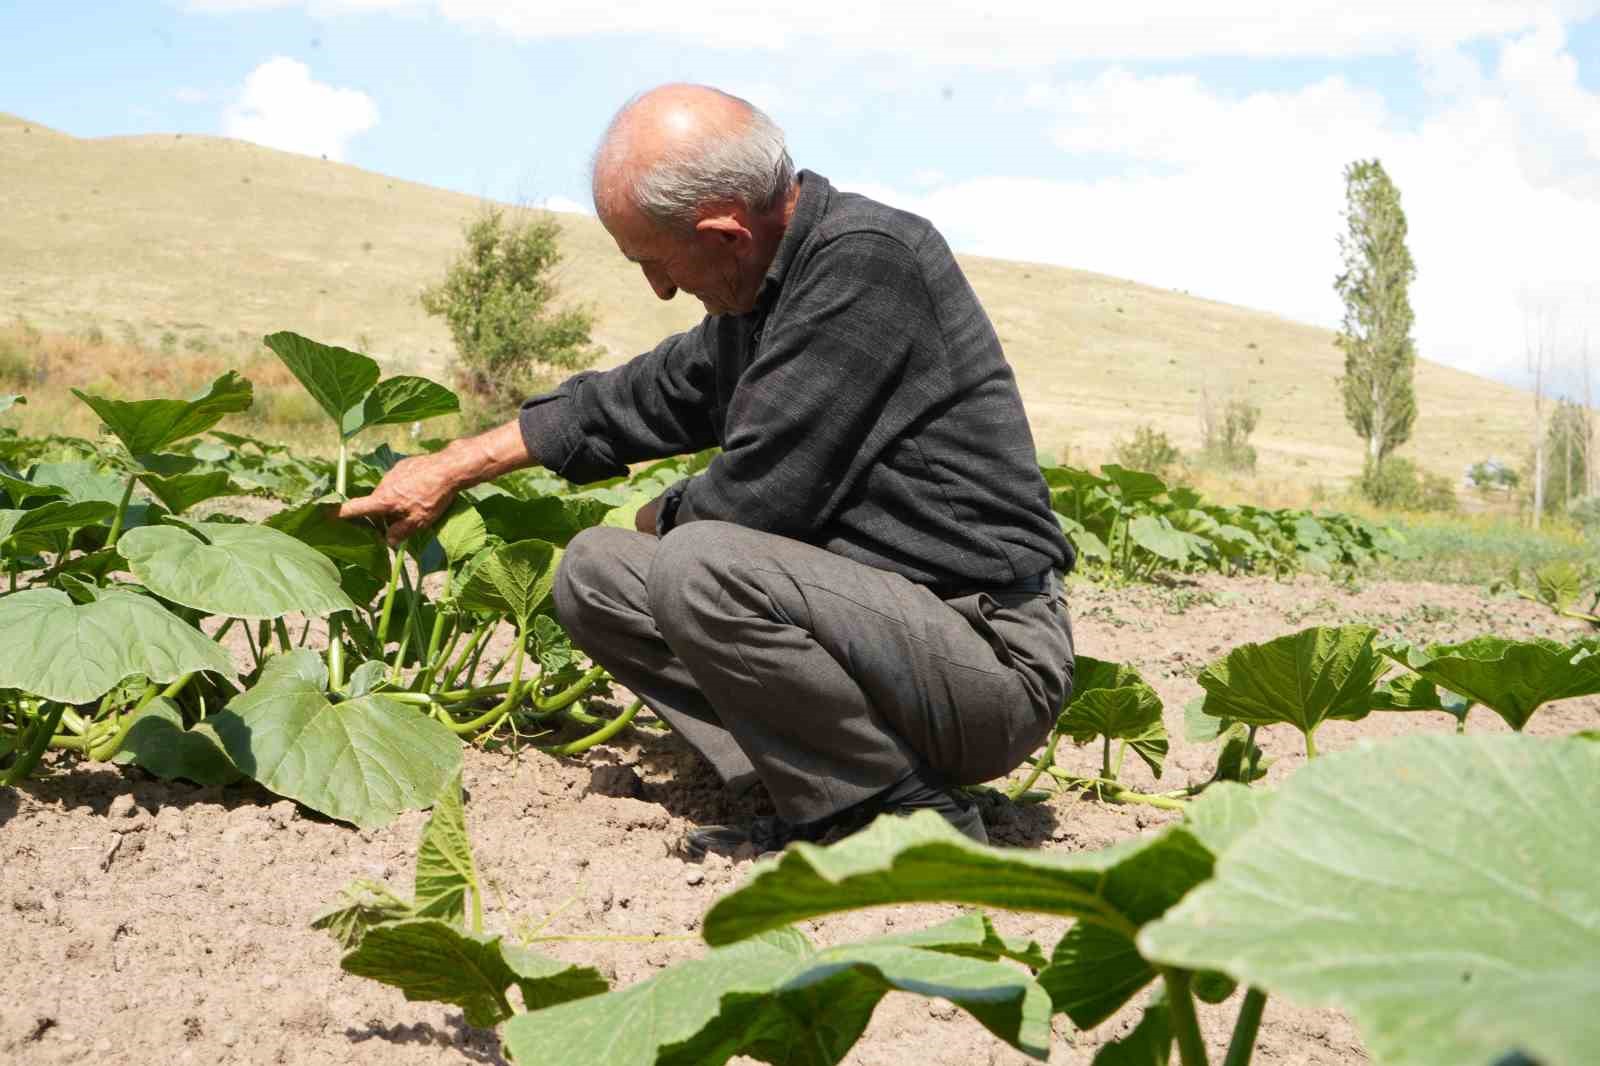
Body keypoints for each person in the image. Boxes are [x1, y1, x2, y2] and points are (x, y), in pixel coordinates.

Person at [339, 83, 1075, 856]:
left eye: (656, 262)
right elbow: (629, 400)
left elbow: (761, 496)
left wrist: (661, 513)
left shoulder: (869, 265)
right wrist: (450, 467)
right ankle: (820, 794)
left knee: (697, 558)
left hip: (984, 656)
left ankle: (898, 820)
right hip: (887, 642)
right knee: (595, 571)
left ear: (727, 234)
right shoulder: (758, 299)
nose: (659, 289)